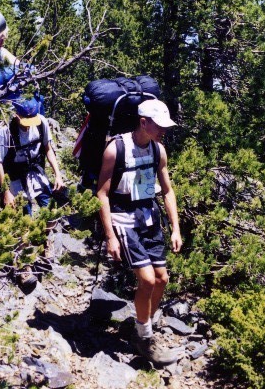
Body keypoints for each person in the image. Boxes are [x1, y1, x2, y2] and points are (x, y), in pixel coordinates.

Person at [96, 99, 183, 365]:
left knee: (162, 279)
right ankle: (145, 339)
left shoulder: (159, 150)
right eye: (159, 125)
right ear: (143, 122)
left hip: (149, 217)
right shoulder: (116, 149)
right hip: (123, 218)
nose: (163, 131)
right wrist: (110, 236)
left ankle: (140, 325)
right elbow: (102, 193)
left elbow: (167, 191)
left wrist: (175, 228)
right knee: (146, 280)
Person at [0, 97, 65, 215]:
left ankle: (47, 230)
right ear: (16, 115)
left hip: (36, 172)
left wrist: (58, 175)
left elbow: (48, 148)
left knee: (51, 212)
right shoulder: (5, 130)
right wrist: (6, 192)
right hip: (15, 176)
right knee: (25, 217)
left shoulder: (41, 122)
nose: (29, 126)